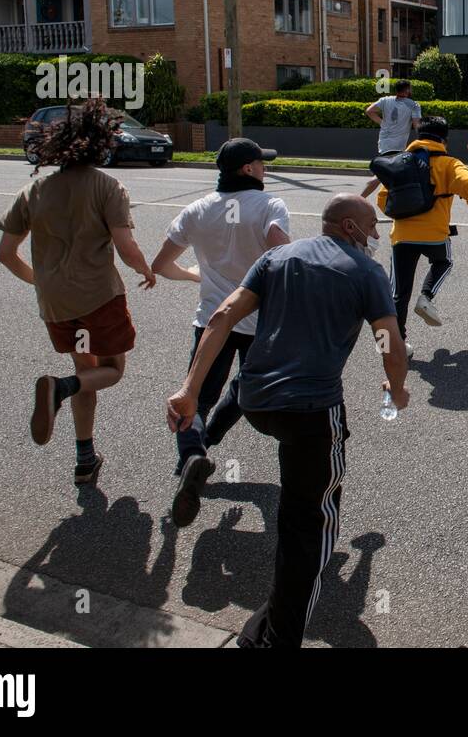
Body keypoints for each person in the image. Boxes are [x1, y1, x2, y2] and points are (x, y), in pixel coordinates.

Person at [166, 194, 409, 648]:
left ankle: (264, 625)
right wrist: (398, 390)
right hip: (311, 411)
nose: (377, 236)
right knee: (311, 527)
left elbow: (221, 317)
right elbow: (389, 342)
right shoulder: (366, 272)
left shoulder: (276, 258)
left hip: (257, 401)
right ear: (351, 228)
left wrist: (190, 390)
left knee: (300, 509)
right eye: (372, 227)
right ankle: (277, 641)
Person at [0, 97, 155, 486]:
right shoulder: (107, 186)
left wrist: (43, 281)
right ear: (100, 143)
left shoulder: (34, 191)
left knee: (87, 371)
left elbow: (5, 254)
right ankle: (59, 389)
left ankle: (85, 458)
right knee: (111, 371)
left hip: (57, 304)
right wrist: (145, 269)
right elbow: (125, 246)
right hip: (99, 298)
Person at [149, 138, 291, 527]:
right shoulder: (269, 206)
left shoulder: (196, 209)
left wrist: (196, 274)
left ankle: (194, 451)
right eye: (261, 163)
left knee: (195, 395)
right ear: (248, 169)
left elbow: (161, 264)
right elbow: (283, 257)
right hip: (258, 322)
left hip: (212, 319)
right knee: (247, 388)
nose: (264, 168)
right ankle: (206, 444)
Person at [383, 116, 468, 350]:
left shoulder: (400, 162)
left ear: (418, 137)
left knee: (398, 293)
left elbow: (383, 199)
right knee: (444, 262)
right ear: (444, 140)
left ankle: (397, 343)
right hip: (435, 235)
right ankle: (426, 297)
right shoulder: (450, 164)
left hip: (401, 236)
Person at [361, 80, 422, 198]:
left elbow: (369, 111)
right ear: (407, 90)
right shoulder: (414, 105)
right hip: (398, 145)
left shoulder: (385, 100)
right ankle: (359, 199)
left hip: (384, 142)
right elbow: (417, 126)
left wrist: (382, 123)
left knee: (392, 173)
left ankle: (397, 200)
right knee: (381, 175)